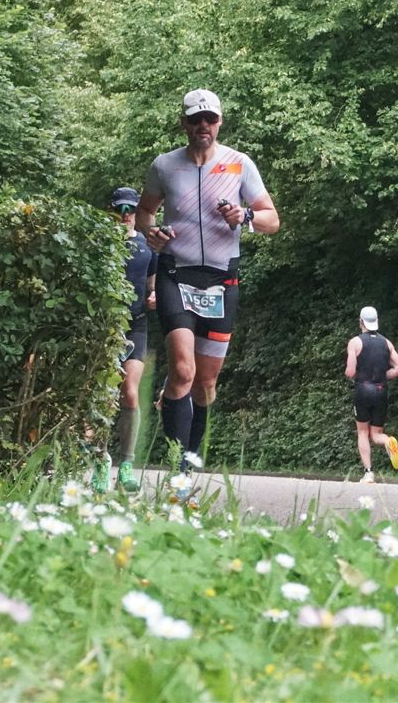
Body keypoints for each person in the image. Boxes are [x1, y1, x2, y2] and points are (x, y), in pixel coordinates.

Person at [135, 88, 279, 474]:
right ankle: (178, 468)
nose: (203, 125)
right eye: (195, 119)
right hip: (175, 274)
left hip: (220, 281)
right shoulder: (165, 166)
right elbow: (144, 213)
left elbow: (272, 220)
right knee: (183, 371)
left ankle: (192, 454)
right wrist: (152, 232)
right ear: (183, 123)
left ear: (220, 122)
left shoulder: (238, 164)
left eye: (210, 119)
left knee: (205, 384)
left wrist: (246, 216)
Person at [100, 186, 157, 493]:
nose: (125, 215)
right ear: (111, 211)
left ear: (137, 212)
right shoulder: (101, 244)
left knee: (130, 393)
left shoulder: (147, 246)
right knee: (104, 396)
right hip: (106, 326)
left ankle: (126, 465)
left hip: (137, 324)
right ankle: (100, 461)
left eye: (130, 209)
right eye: (120, 209)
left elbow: (152, 284)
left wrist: (154, 295)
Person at [346, 306, 398, 483]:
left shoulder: (355, 342)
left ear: (361, 322)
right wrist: (382, 375)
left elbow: (350, 372)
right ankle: (388, 441)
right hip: (381, 390)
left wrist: (360, 375)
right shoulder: (386, 343)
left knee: (362, 433)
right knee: (376, 434)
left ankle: (369, 473)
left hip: (363, 390)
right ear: (376, 321)